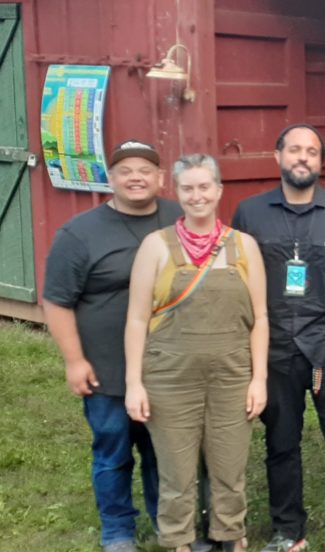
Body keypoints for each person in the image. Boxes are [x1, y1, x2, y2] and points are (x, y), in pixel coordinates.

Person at [231, 124, 325, 552]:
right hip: (274, 347)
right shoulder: (249, 213)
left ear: (320, 162)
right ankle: (288, 530)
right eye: (295, 149)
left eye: (312, 151)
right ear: (278, 156)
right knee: (281, 443)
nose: (303, 158)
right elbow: (237, 278)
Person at [123, 154, 268, 551]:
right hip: (169, 378)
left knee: (230, 467)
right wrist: (134, 383)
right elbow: (136, 320)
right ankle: (178, 541)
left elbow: (260, 317)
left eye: (205, 186)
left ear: (219, 190)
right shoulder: (155, 247)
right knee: (176, 471)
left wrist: (259, 379)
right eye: (188, 187)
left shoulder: (244, 248)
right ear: (177, 192)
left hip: (232, 376)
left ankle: (231, 536)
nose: (197, 195)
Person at [42, 140, 181, 552]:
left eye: (144, 170)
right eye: (125, 171)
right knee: (113, 451)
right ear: (110, 179)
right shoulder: (80, 233)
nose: (135, 177)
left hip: (167, 367)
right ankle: (118, 531)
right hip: (108, 370)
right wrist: (74, 360)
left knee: (164, 453)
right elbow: (56, 300)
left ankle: (168, 524)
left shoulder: (177, 218)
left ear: (160, 177)